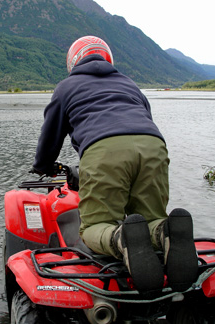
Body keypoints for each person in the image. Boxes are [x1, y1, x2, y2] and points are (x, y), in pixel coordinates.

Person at [32, 35, 198, 297]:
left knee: (94, 227)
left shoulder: (67, 87)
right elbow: (144, 118)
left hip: (104, 150)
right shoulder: (129, 84)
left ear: (73, 60)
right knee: (151, 217)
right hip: (153, 145)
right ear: (107, 56)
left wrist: (42, 166)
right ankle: (166, 231)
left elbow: (50, 136)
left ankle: (121, 239)